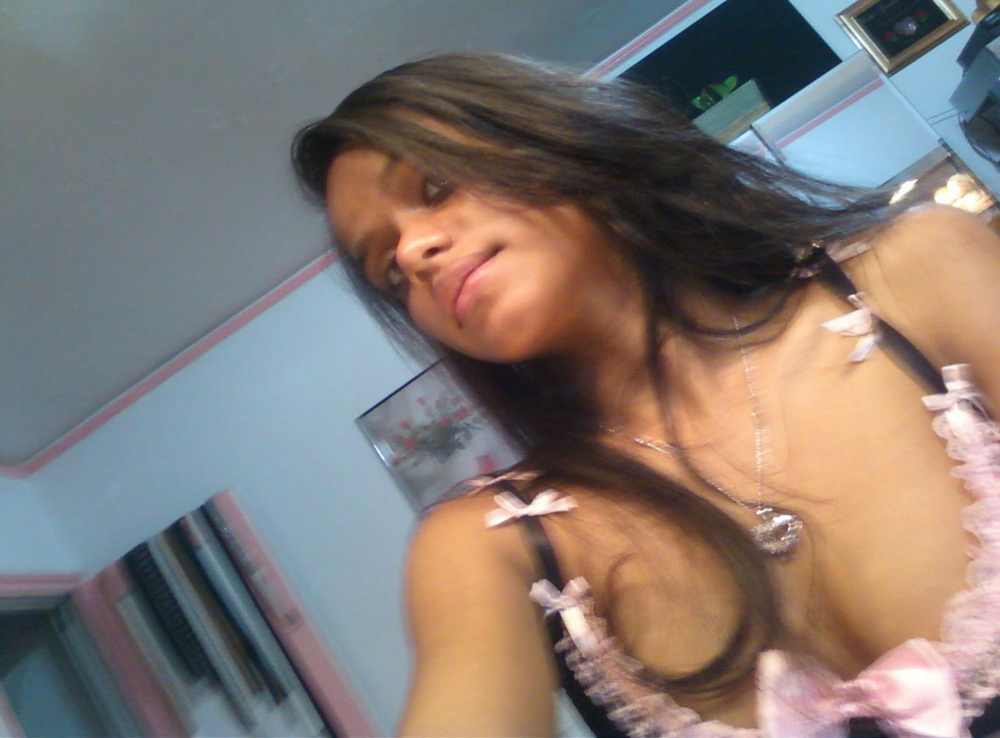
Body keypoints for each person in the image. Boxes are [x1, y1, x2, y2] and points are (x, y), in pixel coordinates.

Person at [292, 53, 1000, 737]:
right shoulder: (488, 544)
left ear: (549, 134)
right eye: (388, 269)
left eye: (436, 186)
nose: (412, 253)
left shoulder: (918, 270)